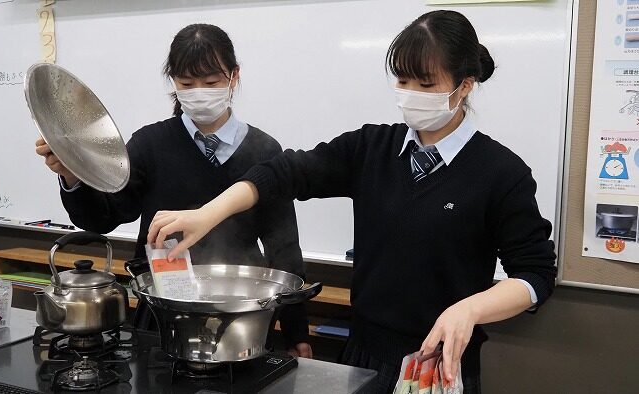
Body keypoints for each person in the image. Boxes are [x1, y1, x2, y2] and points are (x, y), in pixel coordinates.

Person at [146, 11, 557, 393]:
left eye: (426, 85)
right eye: (402, 82)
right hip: (363, 355)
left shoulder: (501, 172)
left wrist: (470, 310)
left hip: (442, 365)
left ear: (464, 86)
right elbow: (283, 173)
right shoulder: (372, 148)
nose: (410, 94)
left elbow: (536, 275)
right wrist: (207, 214)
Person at [34, 23, 312, 358]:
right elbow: (104, 217)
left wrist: (297, 332)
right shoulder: (150, 144)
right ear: (173, 83)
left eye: (211, 83)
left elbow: (283, 245)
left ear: (234, 77)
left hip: (241, 315)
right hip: (161, 313)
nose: (199, 93)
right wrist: (73, 175)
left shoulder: (264, 150)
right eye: (186, 84)